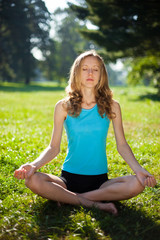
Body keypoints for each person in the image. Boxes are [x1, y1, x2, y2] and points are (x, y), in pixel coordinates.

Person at [14, 50, 156, 215]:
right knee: (32, 180)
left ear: (101, 74)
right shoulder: (63, 106)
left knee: (137, 184)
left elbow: (122, 145)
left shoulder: (112, 106)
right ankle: (96, 204)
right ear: (77, 72)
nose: (90, 73)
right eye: (85, 68)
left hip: (101, 183)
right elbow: (53, 147)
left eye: (95, 69)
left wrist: (138, 169)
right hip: (67, 179)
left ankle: (73, 199)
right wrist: (34, 165)